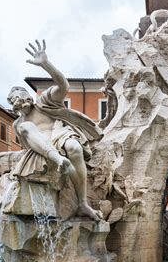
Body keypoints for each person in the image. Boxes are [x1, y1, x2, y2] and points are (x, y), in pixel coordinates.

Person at [7, 40, 103, 221]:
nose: (19, 100)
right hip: (41, 151)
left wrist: (46, 64)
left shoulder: (44, 102)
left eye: (21, 95)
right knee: (26, 126)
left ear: (29, 96)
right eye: (14, 99)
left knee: (74, 147)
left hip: (60, 135)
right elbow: (24, 147)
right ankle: (60, 160)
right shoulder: (19, 123)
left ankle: (83, 203)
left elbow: (63, 85)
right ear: (12, 104)